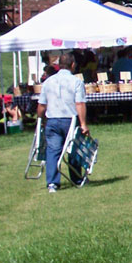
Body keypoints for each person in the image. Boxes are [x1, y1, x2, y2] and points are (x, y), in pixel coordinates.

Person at [35, 52, 88, 193]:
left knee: (53, 151)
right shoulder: (76, 82)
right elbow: (80, 104)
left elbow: (41, 105)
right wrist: (83, 123)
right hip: (70, 120)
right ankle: (77, 178)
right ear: (73, 65)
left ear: (58, 65)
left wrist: (40, 119)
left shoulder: (48, 82)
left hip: (52, 120)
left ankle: (52, 183)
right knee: (74, 150)